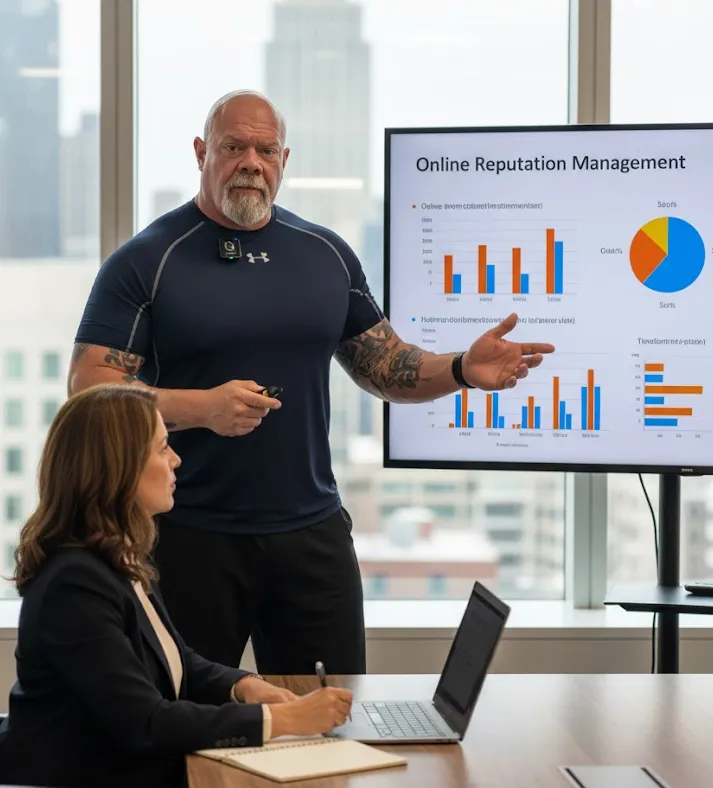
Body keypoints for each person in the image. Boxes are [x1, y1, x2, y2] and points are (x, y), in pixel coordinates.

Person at [67, 90, 554, 675]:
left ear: (283, 159)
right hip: (185, 536)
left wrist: (459, 370)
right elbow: (90, 391)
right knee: (184, 723)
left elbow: (385, 365)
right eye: (234, 147)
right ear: (202, 152)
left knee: (333, 719)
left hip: (311, 533)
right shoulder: (147, 259)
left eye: (265, 149)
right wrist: (202, 408)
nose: (251, 162)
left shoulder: (325, 255)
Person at [0, 385, 353, 788]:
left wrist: (242, 686)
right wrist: (283, 719)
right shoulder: (74, 583)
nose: (176, 460)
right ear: (119, 468)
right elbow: (146, 722)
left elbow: (177, 660)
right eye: (163, 448)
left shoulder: (115, 557)